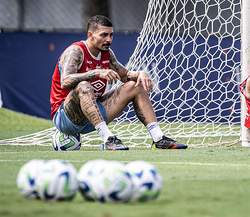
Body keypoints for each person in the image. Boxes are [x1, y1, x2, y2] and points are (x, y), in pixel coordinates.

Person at [50, 15, 187, 150]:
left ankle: (159, 139)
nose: (108, 40)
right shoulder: (75, 51)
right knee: (84, 85)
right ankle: (108, 139)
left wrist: (140, 73)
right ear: (90, 35)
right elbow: (65, 81)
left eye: (111, 35)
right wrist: (96, 72)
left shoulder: (107, 53)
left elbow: (125, 75)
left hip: (93, 116)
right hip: (65, 117)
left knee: (135, 84)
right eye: (103, 35)